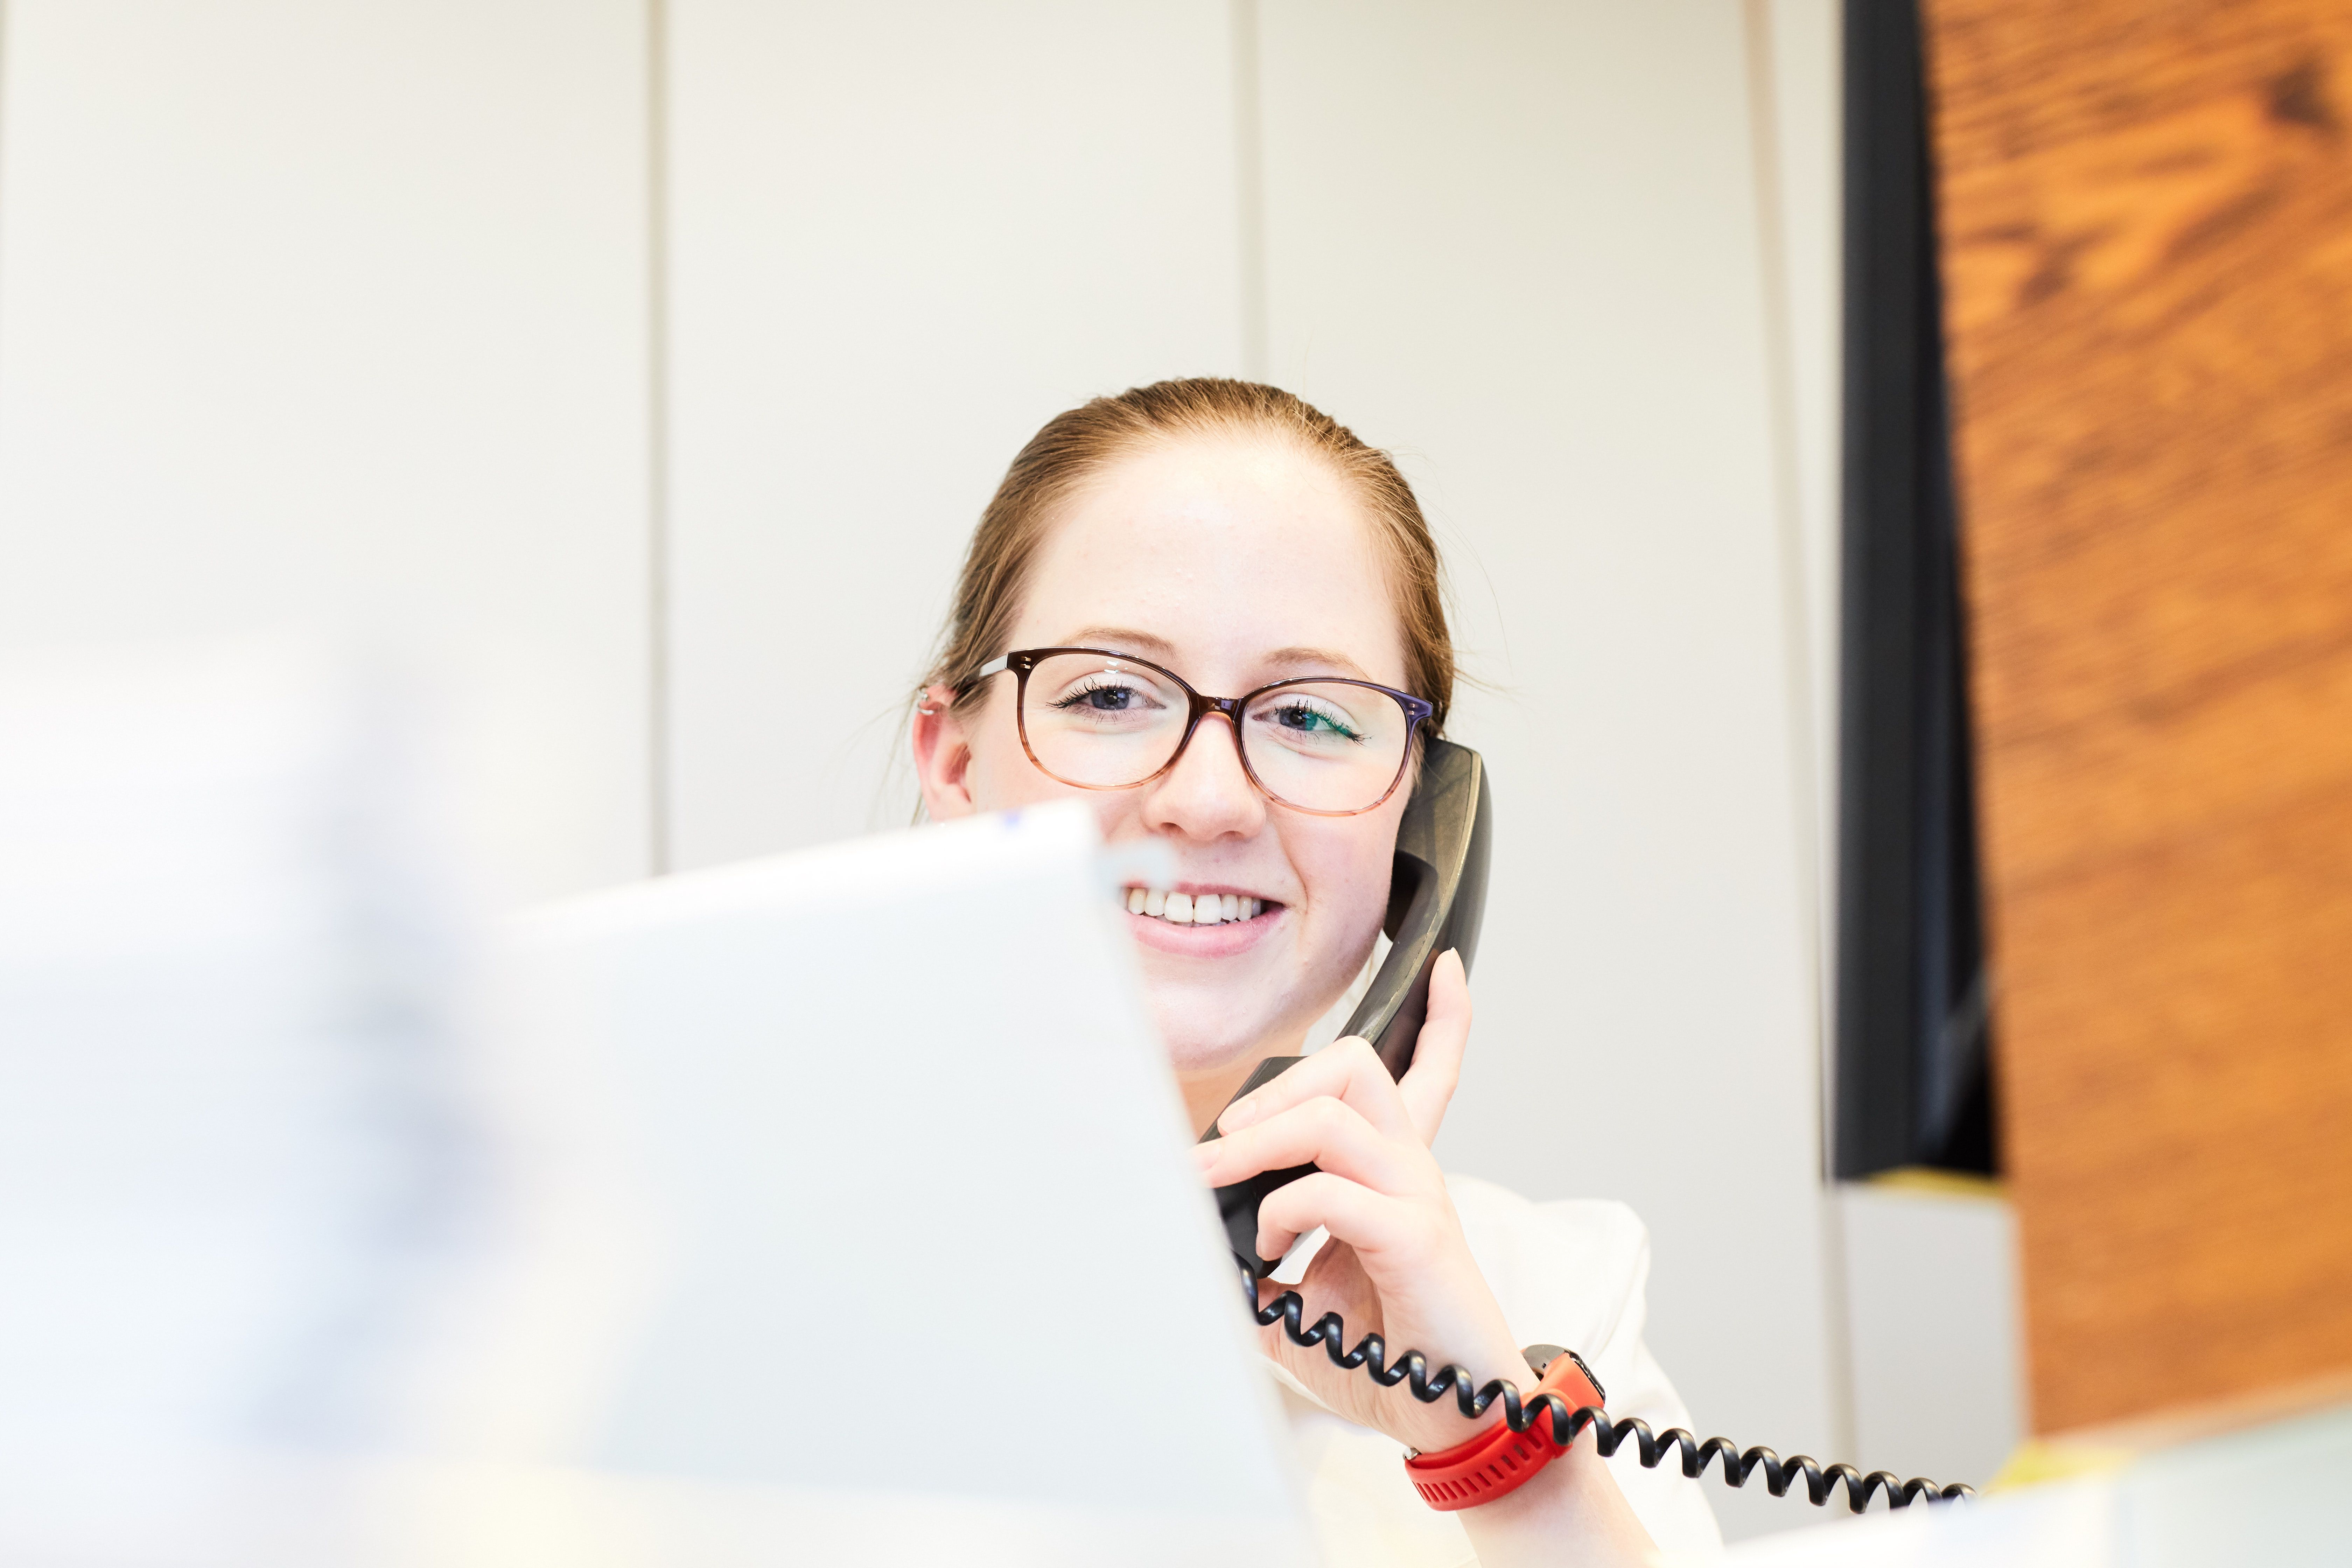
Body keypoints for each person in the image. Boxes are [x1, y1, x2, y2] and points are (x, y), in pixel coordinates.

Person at [911, 379, 1722, 1564]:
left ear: (1424, 820)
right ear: (954, 760)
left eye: (1312, 719)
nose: (1209, 799)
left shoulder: (1542, 1295)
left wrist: (1488, 1444)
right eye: (1110, 694)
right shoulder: (662, 1267)